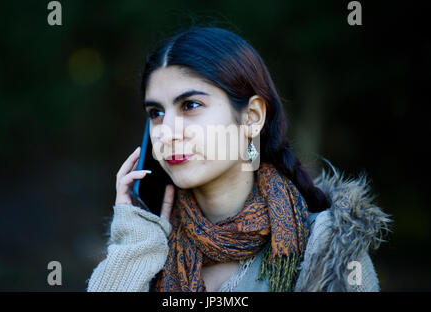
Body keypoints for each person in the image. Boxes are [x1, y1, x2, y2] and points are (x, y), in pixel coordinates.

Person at [86, 26, 392, 292]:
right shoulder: (145, 249)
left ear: (252, 116)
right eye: (156, 113)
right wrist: (135, 241)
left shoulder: (326, 250)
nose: (167, 133)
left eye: (190, 105)